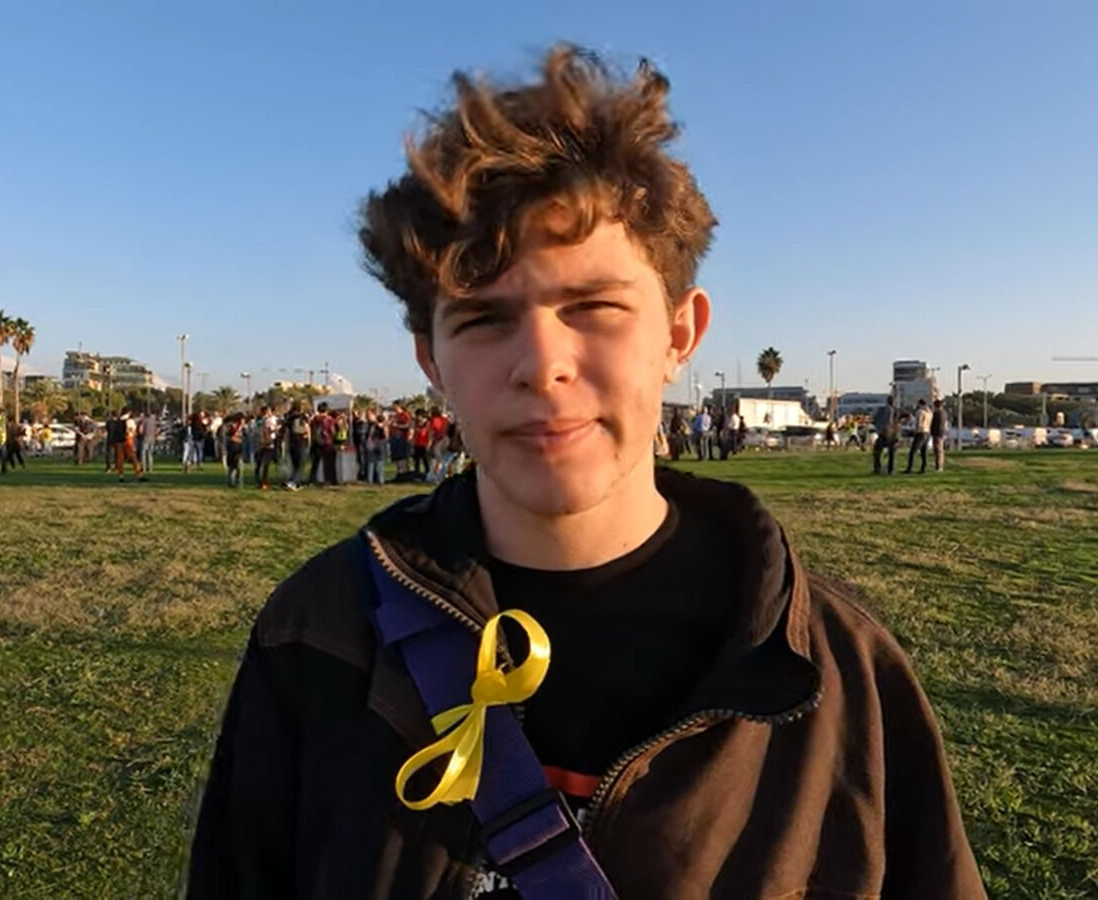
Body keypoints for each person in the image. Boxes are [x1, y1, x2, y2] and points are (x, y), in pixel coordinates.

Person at [187, 46, 983, 899]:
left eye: (594, 307)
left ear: (679, 334)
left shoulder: (838, 674)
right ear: (431, 359)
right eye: (484, 319)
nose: (542, 364)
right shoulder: (319, 634)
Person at [283, 400, 309, 491]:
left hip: (291, 442)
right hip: (300, 442)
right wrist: (306, 434)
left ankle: (296, 483)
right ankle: (292, 482)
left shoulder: (289, 417)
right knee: (300, 464)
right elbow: (302, 429)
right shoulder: (301, 417)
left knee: (295, 464)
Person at [871, 395, 898, 475]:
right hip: (890, 432)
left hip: (883, 432)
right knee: (892, 452)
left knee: (877, 451)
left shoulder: (882, 409)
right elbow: (892, 421)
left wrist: (878, 427)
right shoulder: (894, 410)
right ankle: (890, 469)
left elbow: (875, 419)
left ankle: (877, 468)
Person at [905, 398, 933, 474]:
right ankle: (923, 468)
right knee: (924, 452)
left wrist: (914, 431)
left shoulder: (920, 412)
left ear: (920, 404)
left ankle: (909, 468)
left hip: (920, 432)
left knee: (912, 452)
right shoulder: (929, 412)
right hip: (927, 432)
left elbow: (918, 422)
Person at [223, 412, 246, 488]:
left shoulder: (243, 428)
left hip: (239, 448)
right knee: (232, 466)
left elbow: (245, 436)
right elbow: (229, 436)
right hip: (232, 447)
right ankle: (231, 481)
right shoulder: (232, 426)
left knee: (239, 465)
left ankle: (239, 481)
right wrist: (237, 437)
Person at [930, 397, 950, 472]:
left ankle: (938, 466)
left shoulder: (936, 413)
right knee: (940, 450)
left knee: (938, 450)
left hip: (937, 433)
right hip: (942, 432)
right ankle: (940, 464)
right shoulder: (944, 413)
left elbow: (934, 424)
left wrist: (932, 431)